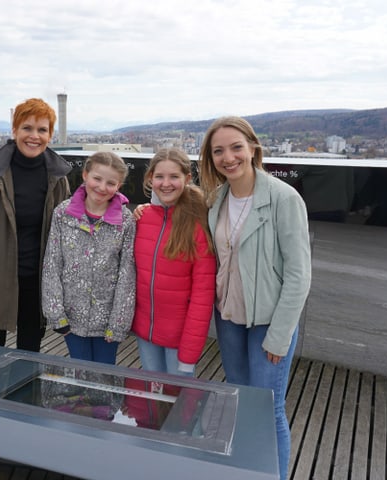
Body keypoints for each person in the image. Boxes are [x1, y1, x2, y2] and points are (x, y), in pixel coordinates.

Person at [198, 116, 312, 480]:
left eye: (235, 148)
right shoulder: (216, 199)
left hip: (269, 323)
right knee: (241, 403)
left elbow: (298, 274)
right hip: (230, 319)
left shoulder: (283, 198)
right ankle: (247, 471)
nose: (228, 157)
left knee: (268, 408)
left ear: (253, 149)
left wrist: (280, 334)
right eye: (218, 151)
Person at [0, 98, 72, 352]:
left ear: (50, 135)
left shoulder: (57, 176)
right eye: (27, 128)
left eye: (42, 130)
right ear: (14, 131)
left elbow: (70, 226)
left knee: (30, 355)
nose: (34, 136)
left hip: (37, 284)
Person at [41, 152, 136, 365]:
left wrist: (119, 322)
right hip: (72, 317)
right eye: (97, 179)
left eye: (111, 183)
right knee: (80, 373)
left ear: (119, 185)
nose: (102, 187)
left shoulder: (125, 220)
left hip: (108, 319)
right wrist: (56, 314)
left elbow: (127, 274)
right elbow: (52, 264)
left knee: (104, 374)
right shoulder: (63, 214)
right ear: (85, 175)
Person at [131, 148, 216, 376]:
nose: (166, 183)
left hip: (179, 340)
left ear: (187, 179)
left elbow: (202, 297)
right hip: (145, 332)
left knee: (180, 406)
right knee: (152, 396)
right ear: (150, 178)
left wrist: (188, 356)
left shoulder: (197, 225)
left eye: (174, 177)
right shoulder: (142, 218)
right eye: (159, 177)